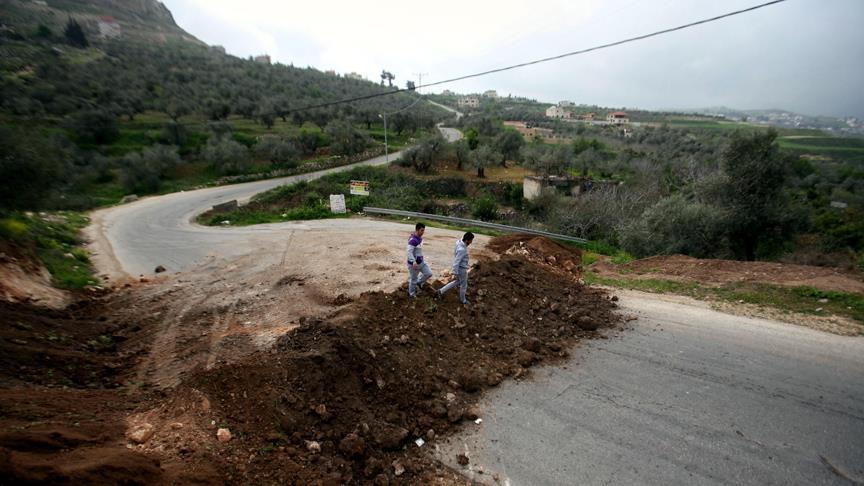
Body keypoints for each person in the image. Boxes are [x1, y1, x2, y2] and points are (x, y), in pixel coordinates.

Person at [437, 232, 474, 305]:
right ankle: (463, 300)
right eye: (471, 240)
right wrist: (455, 272)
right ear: (467, 240)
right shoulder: (462, 250)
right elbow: (456, 262)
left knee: (456, 282)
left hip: (460, 267)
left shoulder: (459, 242)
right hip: (462, 269)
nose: (471, 242)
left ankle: (440, 291)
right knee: (464, 285)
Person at [406, 222, 432, 298]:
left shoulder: (419, 238)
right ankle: (412, 295)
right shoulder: (413, 240)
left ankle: (419, 282)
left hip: (421, 262)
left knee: (429, 273)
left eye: (424, 230)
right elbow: (409, 252)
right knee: (413, 280)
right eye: (422, 230)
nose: (423, 232)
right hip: (414, 264)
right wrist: (413, 261)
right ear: (417, 230)